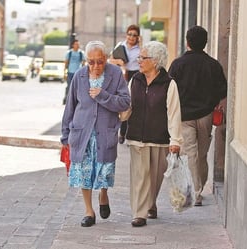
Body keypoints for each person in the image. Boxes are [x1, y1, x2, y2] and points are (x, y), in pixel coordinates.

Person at [60, 41, 131, 227]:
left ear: (106, 59)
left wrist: (103, 95)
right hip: (82, 133)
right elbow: (70, 107)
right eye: (91, 62)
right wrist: (65, 135)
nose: (96, 66)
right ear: (86, 60)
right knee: (84, 173)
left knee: (104, 172)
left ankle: (103, 194)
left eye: (100, 61)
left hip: (105, 133)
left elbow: (124, 102)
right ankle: (89, 211)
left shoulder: (115, 75)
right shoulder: (79, 76)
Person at [124, 41, 183, 227]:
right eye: (139, 57)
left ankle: (151, 204)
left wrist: (176, 140)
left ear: (155, 61)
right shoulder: (135, 81)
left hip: (160, 139)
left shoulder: (169, 84)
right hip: (136, 137)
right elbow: (127, 107)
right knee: (140, 177)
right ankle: (139, 213)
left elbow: (174, 113)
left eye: (143, 58)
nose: (139, 61)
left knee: (155, 178)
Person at [168, 25, 227, 206]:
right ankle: (197, 189)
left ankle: (196, 191)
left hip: (184, 116)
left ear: (187, 42)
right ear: (206, 43)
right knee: (201, 154)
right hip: (206, 115)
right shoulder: (213, 65)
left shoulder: (177, 65)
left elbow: (170, 90)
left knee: (190, 154)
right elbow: (223, 90)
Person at [108, 24, 141, 144]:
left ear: (138, 37)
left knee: (135, 105)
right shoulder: (120, 46)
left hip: (136, 76)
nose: (131, 37)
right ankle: (122, 133)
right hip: (122, 76)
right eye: (129, 34)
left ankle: (132, 133)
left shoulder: (140, 49)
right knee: (124, 104)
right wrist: (119, 61)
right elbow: (110, 60)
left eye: (134, 35)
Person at [63, 39, 86, 104]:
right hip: (70, 72)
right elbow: (66, 63)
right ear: (73, 45)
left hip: (78, 73)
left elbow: (84, 63)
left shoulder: (81, 53)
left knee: (79, 87)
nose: (77, 45)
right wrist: (64, 72)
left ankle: (77, 100)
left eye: (78, 44)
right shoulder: (69, 53)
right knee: (69, 86)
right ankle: (67, 99)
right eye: (76, 44)